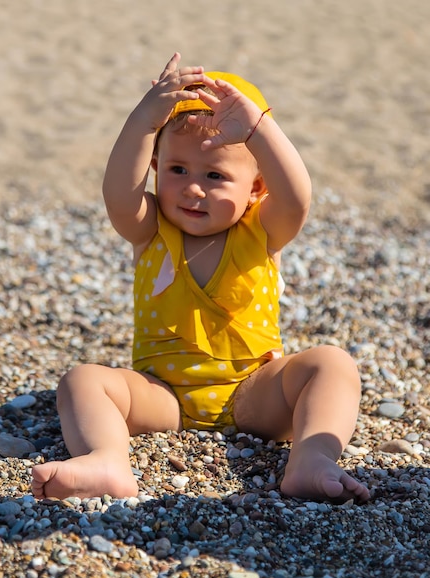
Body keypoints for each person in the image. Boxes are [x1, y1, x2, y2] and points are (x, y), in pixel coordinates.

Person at [31, 52, 370, 503]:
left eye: (215, 175)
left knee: (332, 363)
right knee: (82, 381)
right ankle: (106, 458)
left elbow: (298, 198)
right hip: (162, 395)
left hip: (253, 391)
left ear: (255, 187)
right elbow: (117, 192)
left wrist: (259, 129)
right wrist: (143, 121)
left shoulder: (264, 229)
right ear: (155, 168)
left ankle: (312, 456)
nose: (193, 188)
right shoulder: (150, 227)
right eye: (177, 170)